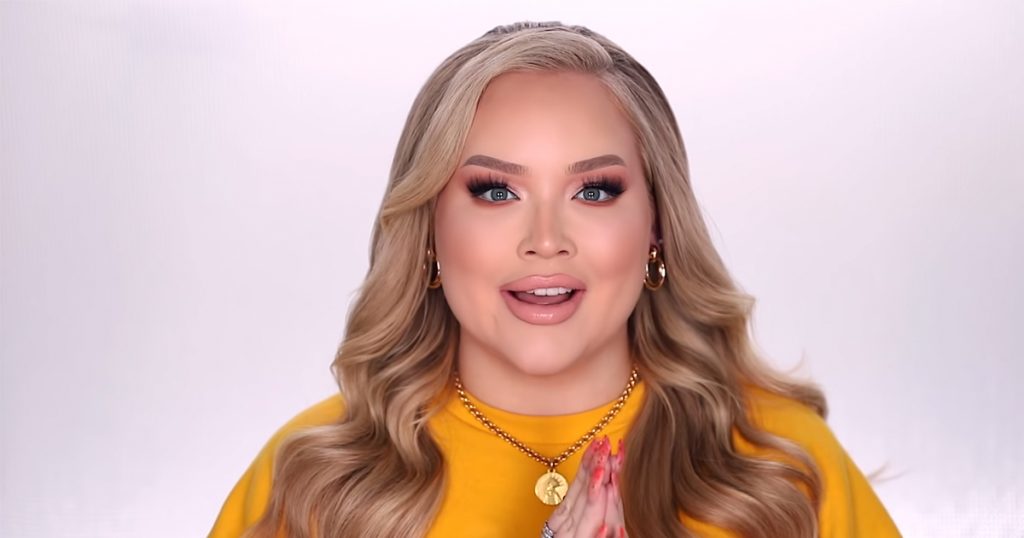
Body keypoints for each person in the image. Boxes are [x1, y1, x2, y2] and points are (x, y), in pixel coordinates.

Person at [210, 21, 899, 538]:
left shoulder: (780, 464)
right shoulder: (314, 475)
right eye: (496, 191)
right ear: (428, 232)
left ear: (657, 228)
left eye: (594, 191)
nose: (545, 240)